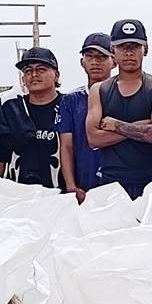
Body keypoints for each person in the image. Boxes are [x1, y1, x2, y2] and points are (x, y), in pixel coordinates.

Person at [88, 18, 152, 200]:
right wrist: (142, 127)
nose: (128, 53)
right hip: (112, 182)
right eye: (122, 47)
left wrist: (116, 125)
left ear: (145, 49)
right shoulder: (99, 90)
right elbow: (93, 138)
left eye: (134, 46)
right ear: (113, 50)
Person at [0, 47, 64, 188]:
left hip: (61, 195)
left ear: (56, 75)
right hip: (19, 195)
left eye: (41, 69)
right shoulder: (11, 108)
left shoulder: (69, 106)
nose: (34, 75)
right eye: (28, 71)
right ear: (23, 78)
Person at [57, 33, 114, 197]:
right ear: (82, 62)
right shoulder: (70, 100)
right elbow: (66, 146)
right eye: (89, 56)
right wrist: (71, 186)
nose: (95, 62)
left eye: (102, 56)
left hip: (119, 184)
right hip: (84, 184)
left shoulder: (125, 96)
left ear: (114, 61)